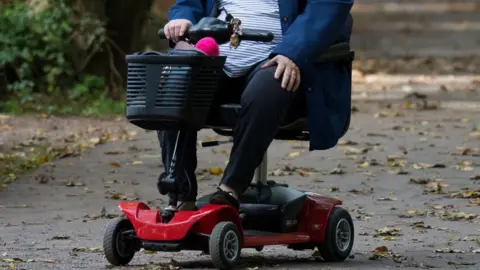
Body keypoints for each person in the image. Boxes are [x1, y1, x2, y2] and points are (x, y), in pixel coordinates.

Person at [158, 0, 354, 210]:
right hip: (216, 59)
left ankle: (229, 190)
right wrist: (184, 18)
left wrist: (292, 52)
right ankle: (181, 196)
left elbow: (329, 6)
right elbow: (189, 3)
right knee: (173, 85)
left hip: (278, 59)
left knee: (271, 83)